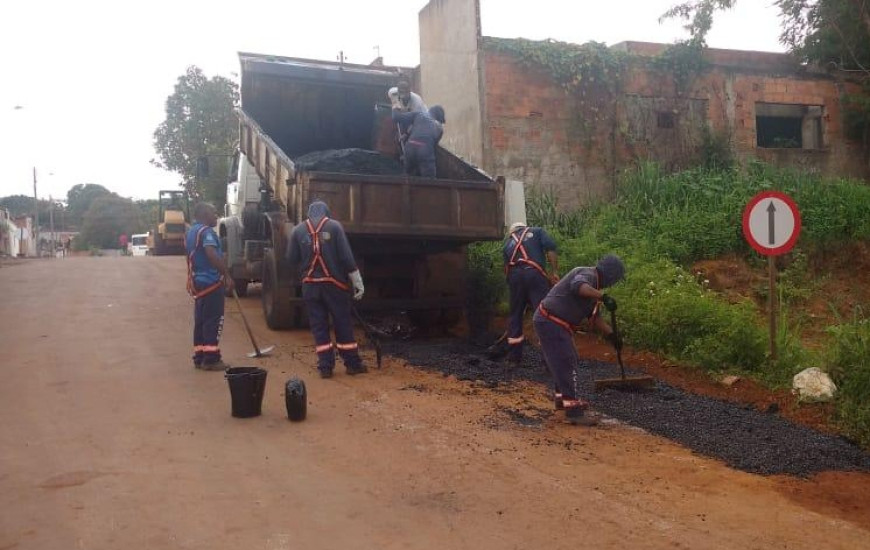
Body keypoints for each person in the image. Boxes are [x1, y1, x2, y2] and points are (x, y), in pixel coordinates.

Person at [532, 254, 625, 426]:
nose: (614, 284)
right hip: (551, 320)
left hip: (554, 323)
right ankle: (574, 412)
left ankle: (562, 400)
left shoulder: (594, 286)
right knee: (567, 361)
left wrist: (612, 335)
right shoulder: (587, 274)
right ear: (611, 275)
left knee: (565, 360)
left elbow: (595, 319)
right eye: (615, 280)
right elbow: (578, 287)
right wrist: (603, 296)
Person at [287, 201, 366, 378]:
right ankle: (352, 364)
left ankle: (325, 367)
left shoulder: (297, 231)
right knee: (342, 323)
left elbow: (291, 259)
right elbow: (346, 257)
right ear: (326, 213)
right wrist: (357, 281)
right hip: (334, 287)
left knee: (318, 326)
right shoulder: (335, 227)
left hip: (310, 287)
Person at [502, 221, 559, 366]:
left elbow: (506, 269)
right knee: (543, 314)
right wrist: (554, 273)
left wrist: (518, 295)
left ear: (512, 232)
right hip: (535, 275)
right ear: (524, 227)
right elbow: (551, 249)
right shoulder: (538, 231)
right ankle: (548, 359)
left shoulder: (508, 243)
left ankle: (514, 358)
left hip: (515, 278)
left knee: (515, 315)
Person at [186, 202, 234, 371]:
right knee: (213, 320)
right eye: (214, 213)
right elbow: (211, 254)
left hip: (198, 282)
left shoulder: (192, 231)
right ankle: (211, 359)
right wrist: (226, 275)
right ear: (205, 214)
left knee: (201, 320)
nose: (216, 216)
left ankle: (199, 356)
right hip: (211, 282)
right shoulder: (206, 233)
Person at [392, 105, 446, 178]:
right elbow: (433, 146)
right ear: (439, 118)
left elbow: (396, 117)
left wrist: (395, 108)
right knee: (430, 180)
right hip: (425, 150)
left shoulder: (419, 114)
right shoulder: (439, 128)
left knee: (407, 176)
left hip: (410, 148)